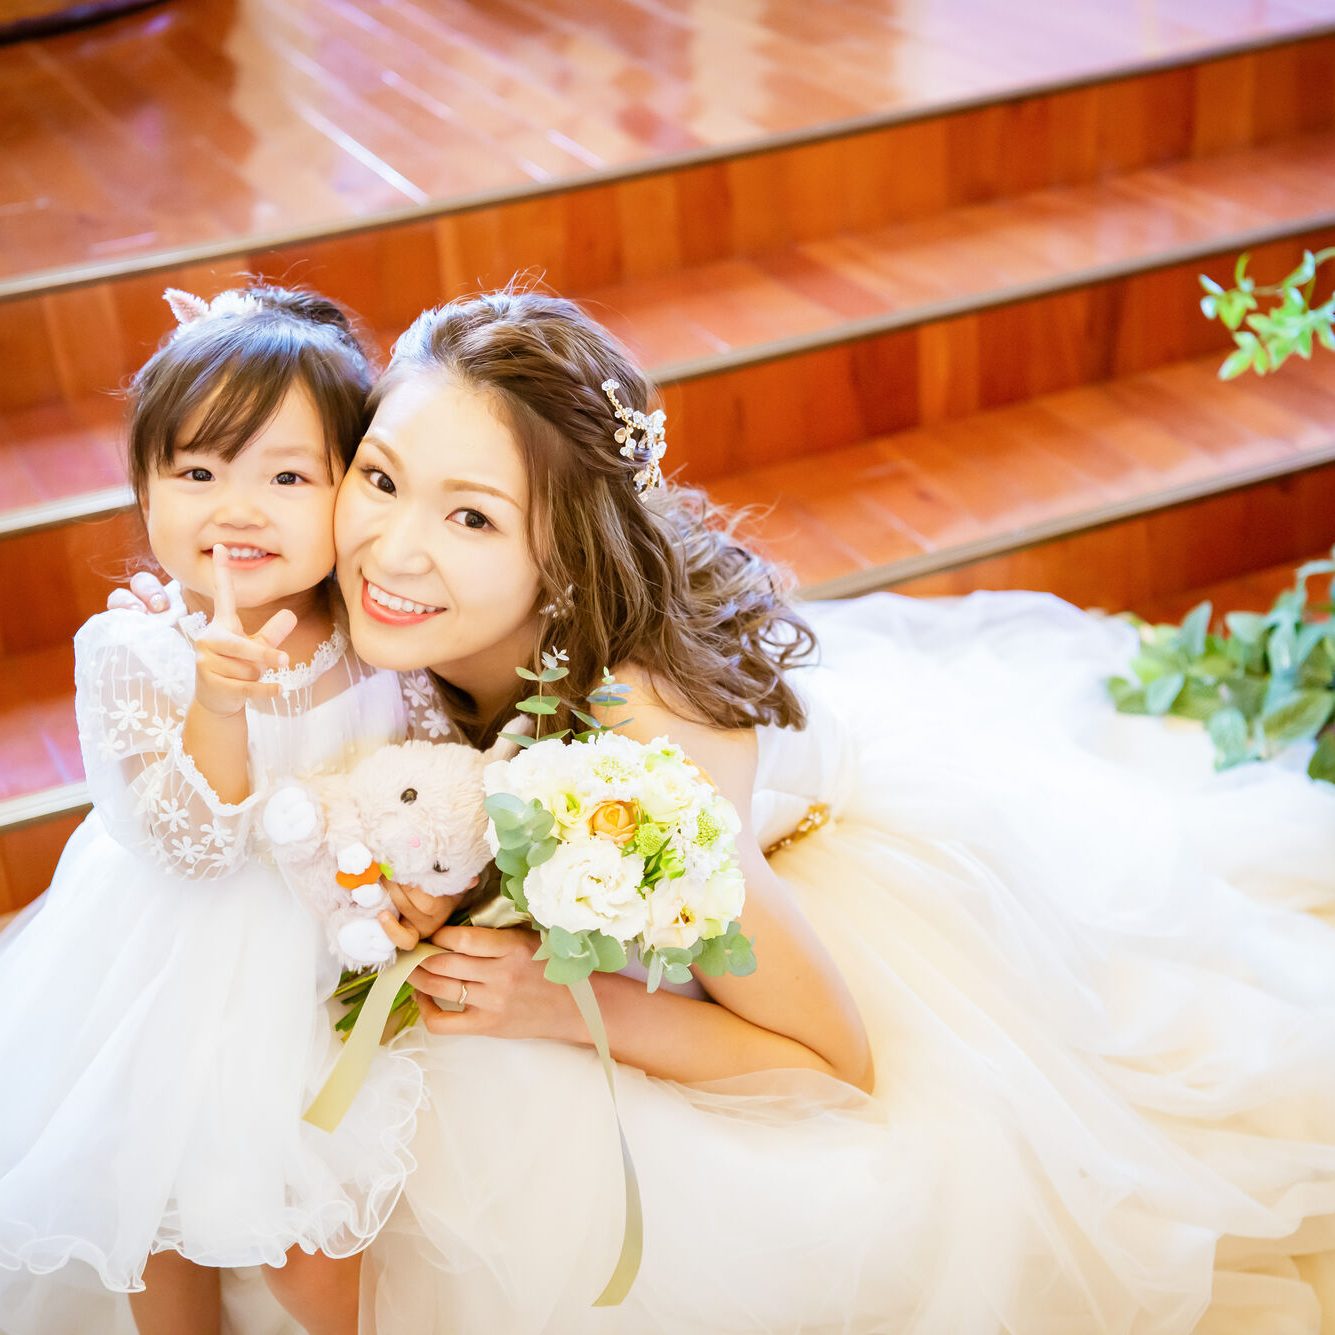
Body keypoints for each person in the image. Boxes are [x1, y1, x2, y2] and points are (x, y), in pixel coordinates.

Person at [116, 288, 1335, 1332]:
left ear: (564, 555)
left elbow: (832, 1065)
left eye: (472, 515)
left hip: (749, 936)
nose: (391, 548)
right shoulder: (357, 599)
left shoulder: (645, 759)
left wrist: (565, 1001)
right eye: (381, 478)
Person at [0, 285, 460, 1335]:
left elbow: (428, 764)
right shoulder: (135, 651)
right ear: (144, 489)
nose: (237, 508)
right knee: (158, 1209)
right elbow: (195, 846)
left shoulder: (371, 627)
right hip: (181, 969)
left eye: (286, 476)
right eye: (197, 472)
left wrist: (431, 879)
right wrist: (215, 701)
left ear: (352, 491)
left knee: (313, 1246)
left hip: (337, 949)